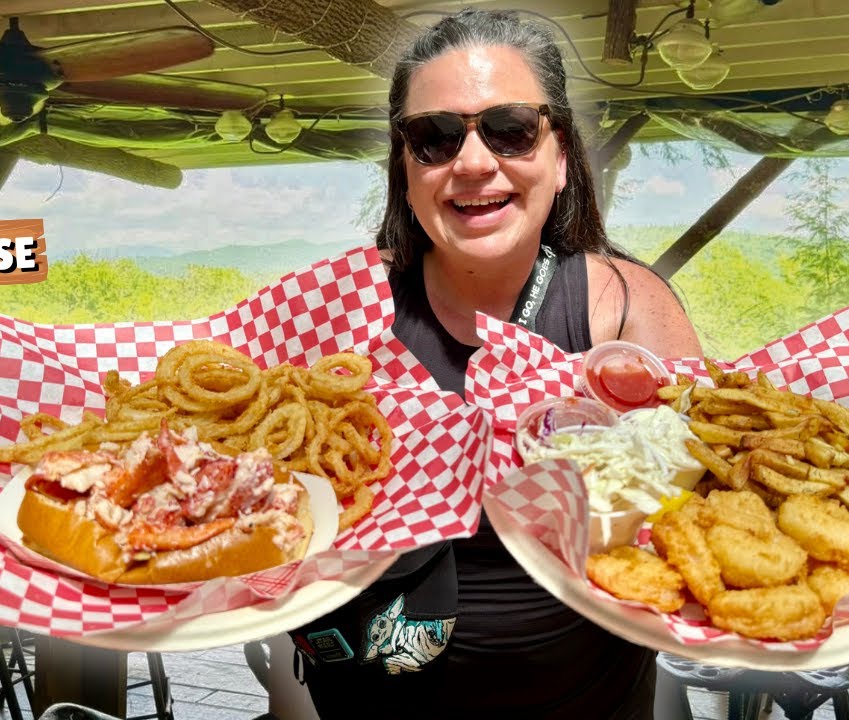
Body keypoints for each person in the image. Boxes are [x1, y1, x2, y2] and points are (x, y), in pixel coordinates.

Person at [288, 8, 703, 719]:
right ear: (406, 166)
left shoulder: (628, 308)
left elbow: (705, 512)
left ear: (562, 154)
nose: (473, 162)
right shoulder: (337, 309)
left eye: (510, 128)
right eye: (434, 136)